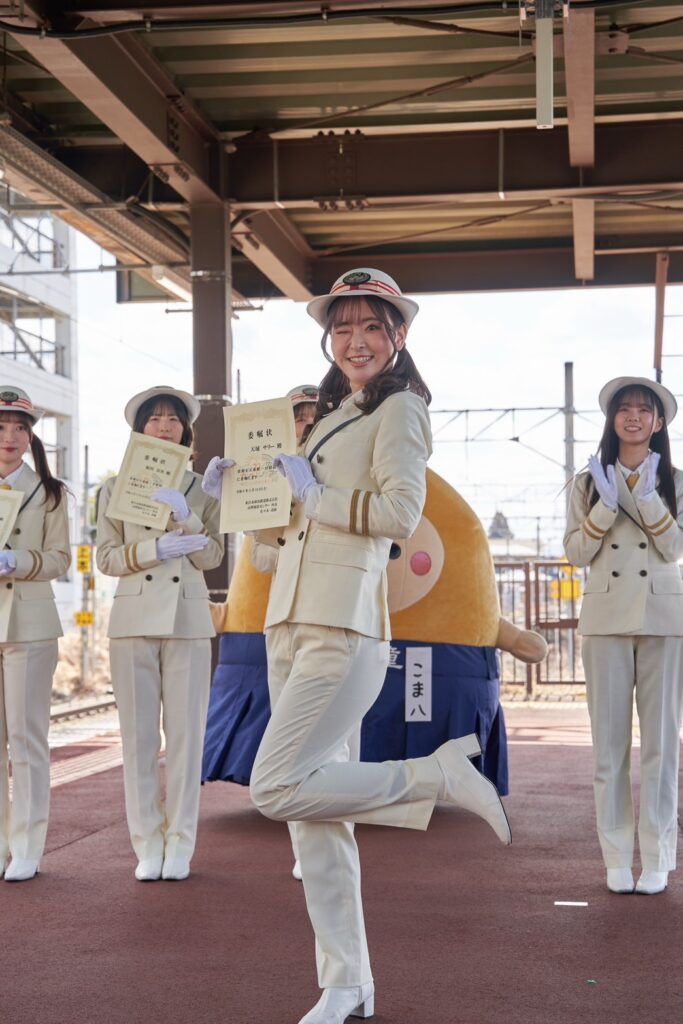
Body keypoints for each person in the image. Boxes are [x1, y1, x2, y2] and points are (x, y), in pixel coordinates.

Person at [202, 269, 510, 1024]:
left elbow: (400, 515)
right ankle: (347, 983)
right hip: (290, 620)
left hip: (344, 627)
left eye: (371, 327)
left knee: (275, 788)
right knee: (317, 824)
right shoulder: (331, 414)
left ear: (397, 337)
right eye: (342, 328)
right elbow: (285, 543)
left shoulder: (400, 409)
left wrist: (316, 495)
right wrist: (238, 502)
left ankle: (430, 777)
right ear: (328, 338)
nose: (355, 341)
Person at [96, 386, 224, 882]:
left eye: (173, 418)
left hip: (188, 620)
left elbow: (213, 557)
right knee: (139, 740)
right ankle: (147, 843)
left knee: (188, 739)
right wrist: (156, 549)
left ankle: (181, 844)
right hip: (131, 622)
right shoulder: (112, 489)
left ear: (186, 431)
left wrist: (188, 516)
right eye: (155, 418)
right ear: (140, 430)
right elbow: (107, 558)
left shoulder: (203, 488)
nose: (165, 425)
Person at [564, 376, 683, 896]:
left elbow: (675, 548)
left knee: (661, 747)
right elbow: (576, 553)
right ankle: (616, 854)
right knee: (608, 749)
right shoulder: (587, 481)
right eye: (624, 409)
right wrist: (606, 506)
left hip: (662, 617)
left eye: (644, 410)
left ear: (659, 423)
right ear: (612, 420)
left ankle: (657, 855)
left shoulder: (677, 480)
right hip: (607, 619)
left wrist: (650, 496)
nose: (634, 417)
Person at [203, 385, 320, 880]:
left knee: (334, 738)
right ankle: (304, 847)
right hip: (282, 621)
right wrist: (248, 508)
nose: (306, 425)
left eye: (315, 416)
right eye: (298, 417)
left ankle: (332, 843)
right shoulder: (272, 474)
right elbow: (263, 557)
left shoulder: (339, 467)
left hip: (334, 617)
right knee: (289, 741)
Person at [0, 386, 70, 883]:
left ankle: (27, 845)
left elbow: (61, 560)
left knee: (26, 740)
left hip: (29, 623)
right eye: (2, 427)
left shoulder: (50, 492)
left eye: (20, 427)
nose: (10, 436)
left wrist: (17, 560)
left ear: (30, 437)